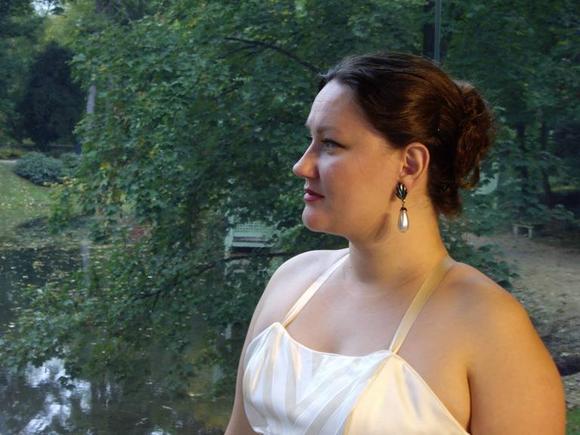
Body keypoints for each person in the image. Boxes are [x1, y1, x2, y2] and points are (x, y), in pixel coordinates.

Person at [225, 52, 566, 434]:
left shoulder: (490, 326)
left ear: (410, 165)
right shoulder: (291, 281)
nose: (302, 165)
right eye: (311, 140)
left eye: (331, 144)